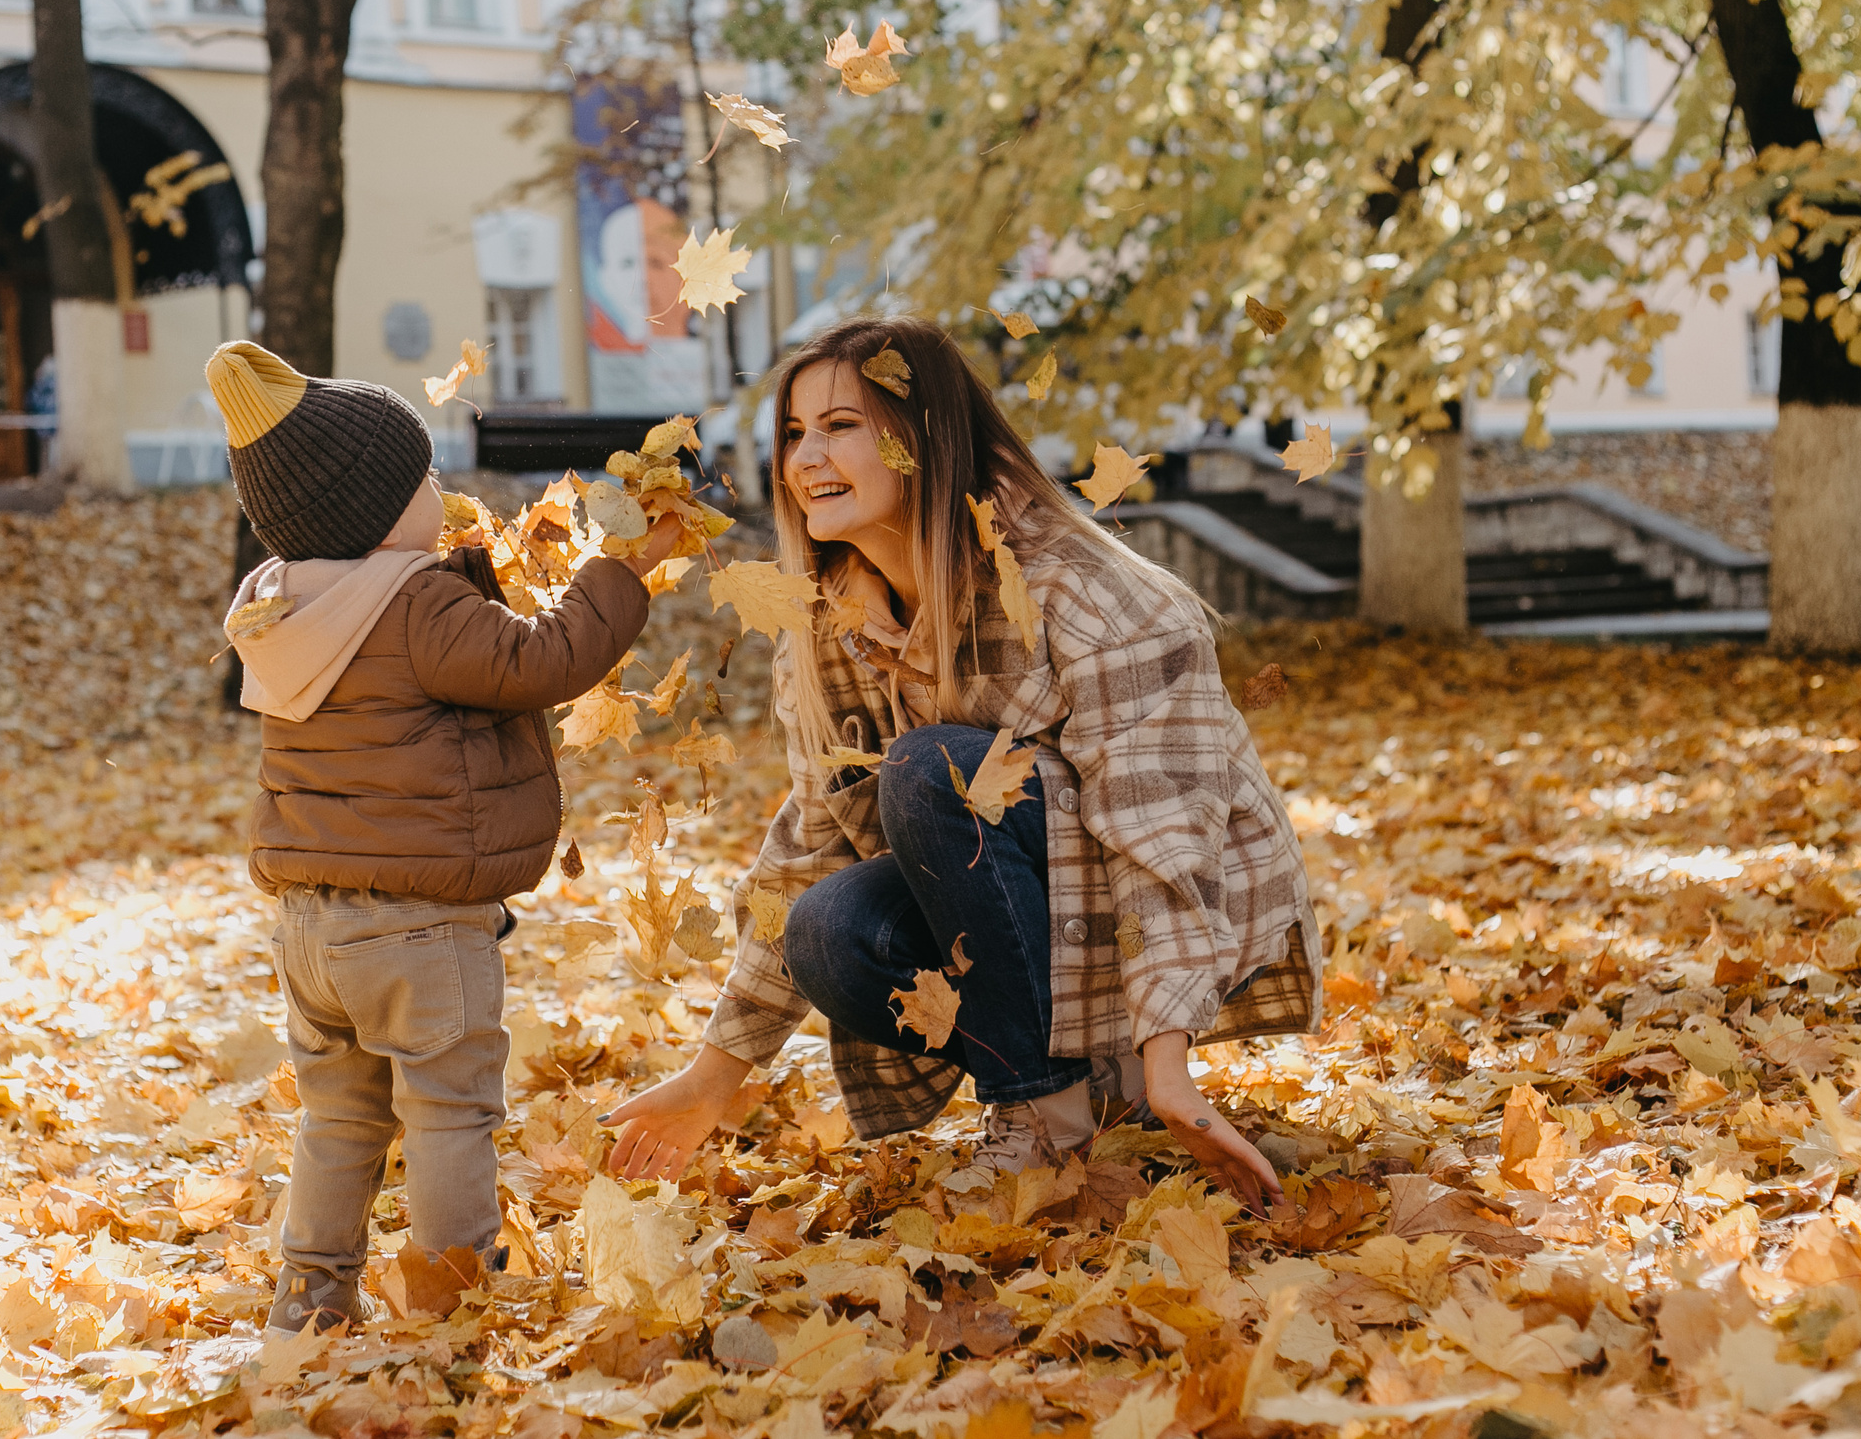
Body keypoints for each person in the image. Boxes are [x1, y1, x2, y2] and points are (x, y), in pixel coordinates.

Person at [600, 319, 1319, 1216]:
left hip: (1166, 895)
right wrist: (717, 1073)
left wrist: (1171, 1065)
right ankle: (1060, 1097)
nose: (804, 458)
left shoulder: (1087, 591)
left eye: (841, 426)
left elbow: (1160, 837)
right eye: (793, 433)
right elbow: (811, 842)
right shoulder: (827, 625)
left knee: (931, 766)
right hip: (1026, 914)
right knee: (826, 926)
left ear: (925, 437)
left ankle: (1078, 1099)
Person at [205, 342, 686, 1334]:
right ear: (379, 510)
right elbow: (539, 661)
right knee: (448, 1113)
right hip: (420, 929)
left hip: (309, 928)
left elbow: (402, 659)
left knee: (338, 1117)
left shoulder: (281, 604)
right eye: (422, 477)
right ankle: (455, 1301)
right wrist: (618, 569)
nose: (439, 489)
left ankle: (311, 1297)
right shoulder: (420, 603)